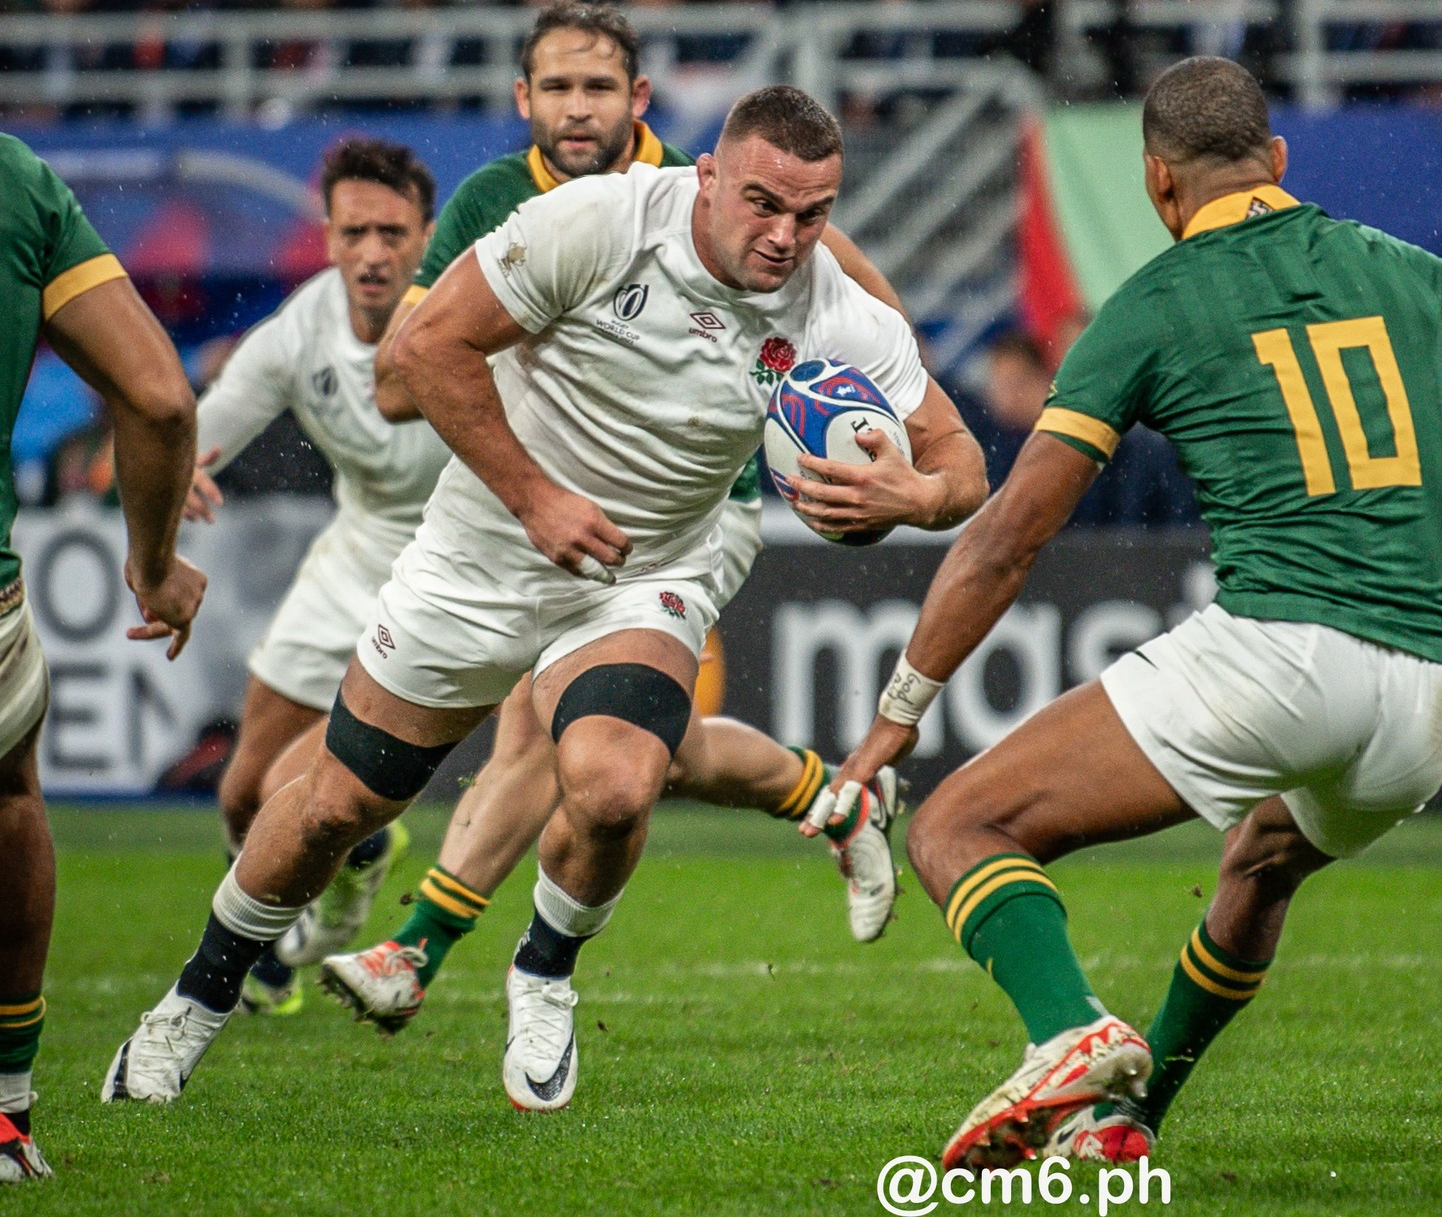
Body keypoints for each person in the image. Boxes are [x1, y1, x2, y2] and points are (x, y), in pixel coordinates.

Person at [103, 86, 986, 1116]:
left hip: (642, 572)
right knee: (338, 807)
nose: (785, 236)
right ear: (706, 176)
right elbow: (427, 350)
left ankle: (545, 971)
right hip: (480, 554)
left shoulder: (832, 307)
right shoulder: (602, 220)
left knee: (614, 786)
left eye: (812, 213)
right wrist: (534, 500)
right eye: (761, 204)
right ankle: (195, 999)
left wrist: (914, 495)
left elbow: (960, 459)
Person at [812, 57, 1442, 1170]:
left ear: (1156, 183)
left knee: (956, 828)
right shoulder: (1401, 270)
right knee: (1259, 864)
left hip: (1283, 657)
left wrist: (892, 722)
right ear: (1276, 161)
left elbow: (1007, 537)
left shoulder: (1150, 304)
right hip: (1426, 697)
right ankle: (1126, 1129)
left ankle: (1068, 1034)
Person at [320, 0, 917, 1037]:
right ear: (524, 99)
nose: (577, 106)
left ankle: (414, 950)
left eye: (598, 86)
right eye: (556, 86)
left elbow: (851, 289)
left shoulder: (713, 187)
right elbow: (399, 384)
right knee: (649, 759)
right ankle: (833, 800)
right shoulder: (497, 199)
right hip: (542, 501)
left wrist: (869, 395)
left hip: (688, 517)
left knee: (558, 741)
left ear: (638, 99)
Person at [185, 141, 448, 1017]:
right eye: (353, 232)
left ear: (426, 236)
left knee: (293, 794)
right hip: (353, 549)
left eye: (391, 232)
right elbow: (201, 427)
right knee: (238, 795)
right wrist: (169, 466)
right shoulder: (303, 326)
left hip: (450, 565)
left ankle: (344, 885)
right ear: (328, 237)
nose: (372, 252)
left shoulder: (464, 315)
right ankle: (324, 895)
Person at [0, 135, 208, 1181]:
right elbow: (161, 398)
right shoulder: (19, 180)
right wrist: (156, 563)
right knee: (7, 799)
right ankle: (5, 1113)